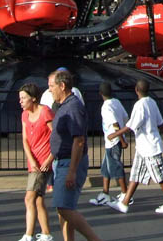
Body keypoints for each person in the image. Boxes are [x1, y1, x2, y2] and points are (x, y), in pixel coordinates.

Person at [105, 78, 163, 214]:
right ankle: (124, 203)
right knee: (136, 174)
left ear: (136, 90)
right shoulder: (152, 102)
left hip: (150, 147)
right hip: (143, 147)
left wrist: (114, 135)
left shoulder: (140, 105)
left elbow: (131, 126)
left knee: (160, 176)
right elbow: (161, 122)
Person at [47, 71, 103, 241]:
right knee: (64, 207)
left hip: (69, 162)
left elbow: (78, 140)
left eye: (51, 86)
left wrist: (72, 170)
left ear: (62, 86)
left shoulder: (73, 107)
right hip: (61, 161)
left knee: (64, 207)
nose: (50, 90)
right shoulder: (65, 106)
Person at [18, 83, 53, 241]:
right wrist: (31, 159)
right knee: (38, 200)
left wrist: (49, 158)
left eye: (24, 98)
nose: (21, 101)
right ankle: (46, 233)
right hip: (34, 162)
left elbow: (56, 136)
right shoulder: (25, 114)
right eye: (20, 98)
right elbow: (25, 139)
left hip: (44, 161)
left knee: (29, 198)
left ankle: (28, 235)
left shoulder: (45, 112)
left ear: (33, 98)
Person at [90, 82, 128, 206]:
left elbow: (115, 123)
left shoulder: (106, 107)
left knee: (116, 167)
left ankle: (125, 194)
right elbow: (125, 117)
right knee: (106, 169)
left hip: (114, 142)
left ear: (100, 94)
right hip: (110, 142)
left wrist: (122, 140)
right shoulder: (116, 102)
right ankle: (105, 193)